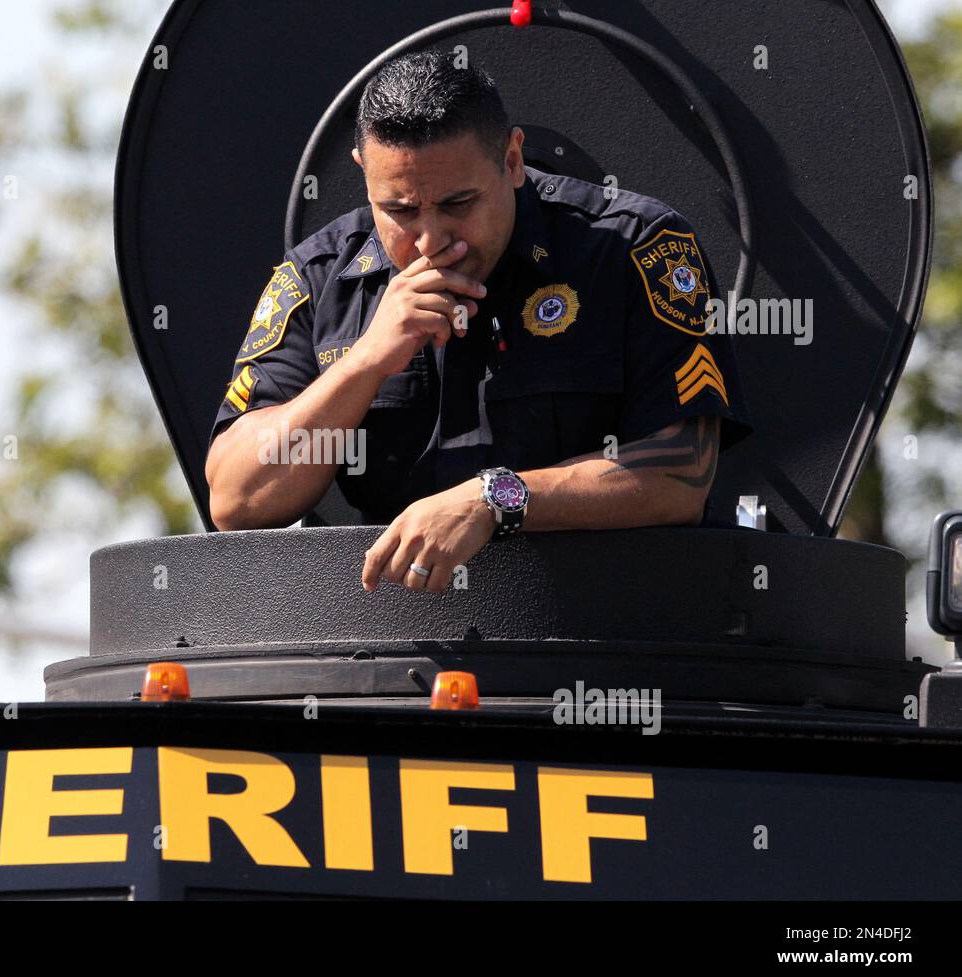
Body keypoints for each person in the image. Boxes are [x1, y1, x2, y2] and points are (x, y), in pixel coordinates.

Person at [205, 49, 751, 595]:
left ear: (513, 160)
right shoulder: (320, 276)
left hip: (599, 637)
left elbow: (682, 475)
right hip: (394, 651)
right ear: (363, 173)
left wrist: (495, 499)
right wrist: (365, 362)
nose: (429, 240)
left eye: (458, 203)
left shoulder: (636, 246)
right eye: (399, 210)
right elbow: (236, 500)